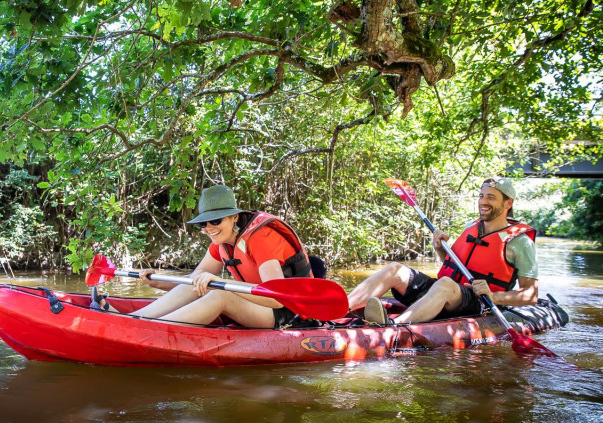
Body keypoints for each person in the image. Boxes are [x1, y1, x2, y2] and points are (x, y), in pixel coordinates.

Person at [98, 184, 315, 327]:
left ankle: (146, 328)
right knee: (199, 282)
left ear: (233, 217)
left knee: (220, 292)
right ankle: (134, 321)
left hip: (289, 315)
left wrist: (220, 282)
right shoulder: (221, 243)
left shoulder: (261, 237)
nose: (209, 228)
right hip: (261, 308)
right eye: (204, 223)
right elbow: (191, 282)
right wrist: (157, 283)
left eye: (216, 221)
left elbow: (276, 299)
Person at [348, 178, 538, 325]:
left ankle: (393, 326)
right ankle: (336, 309)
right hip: (447, 291)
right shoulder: (471, 226)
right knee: (395, 269)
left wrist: (493, 296)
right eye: (481, 196)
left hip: (478, 303)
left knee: (445, 284)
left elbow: (530, 295)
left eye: (491, 197)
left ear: (508, 203)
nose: (483, 202)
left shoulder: (520, 242)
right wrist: (440, 250)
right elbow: (454, 266)